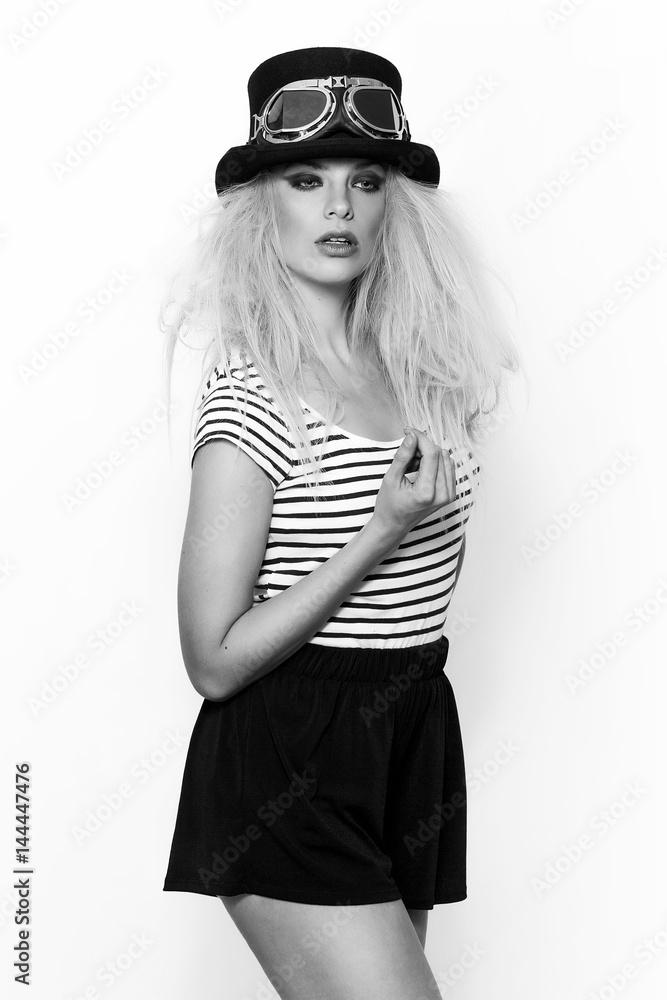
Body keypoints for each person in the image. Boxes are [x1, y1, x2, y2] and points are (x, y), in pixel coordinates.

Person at [160, 45, 523, 1000]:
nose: (338, 207)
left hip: (409, 730)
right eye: (304, 179)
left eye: (364, 181)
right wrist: (376, 533)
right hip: (288, 752)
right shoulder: (250, 395)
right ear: (262, 207)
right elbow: (212, 659)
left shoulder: (426, 374)